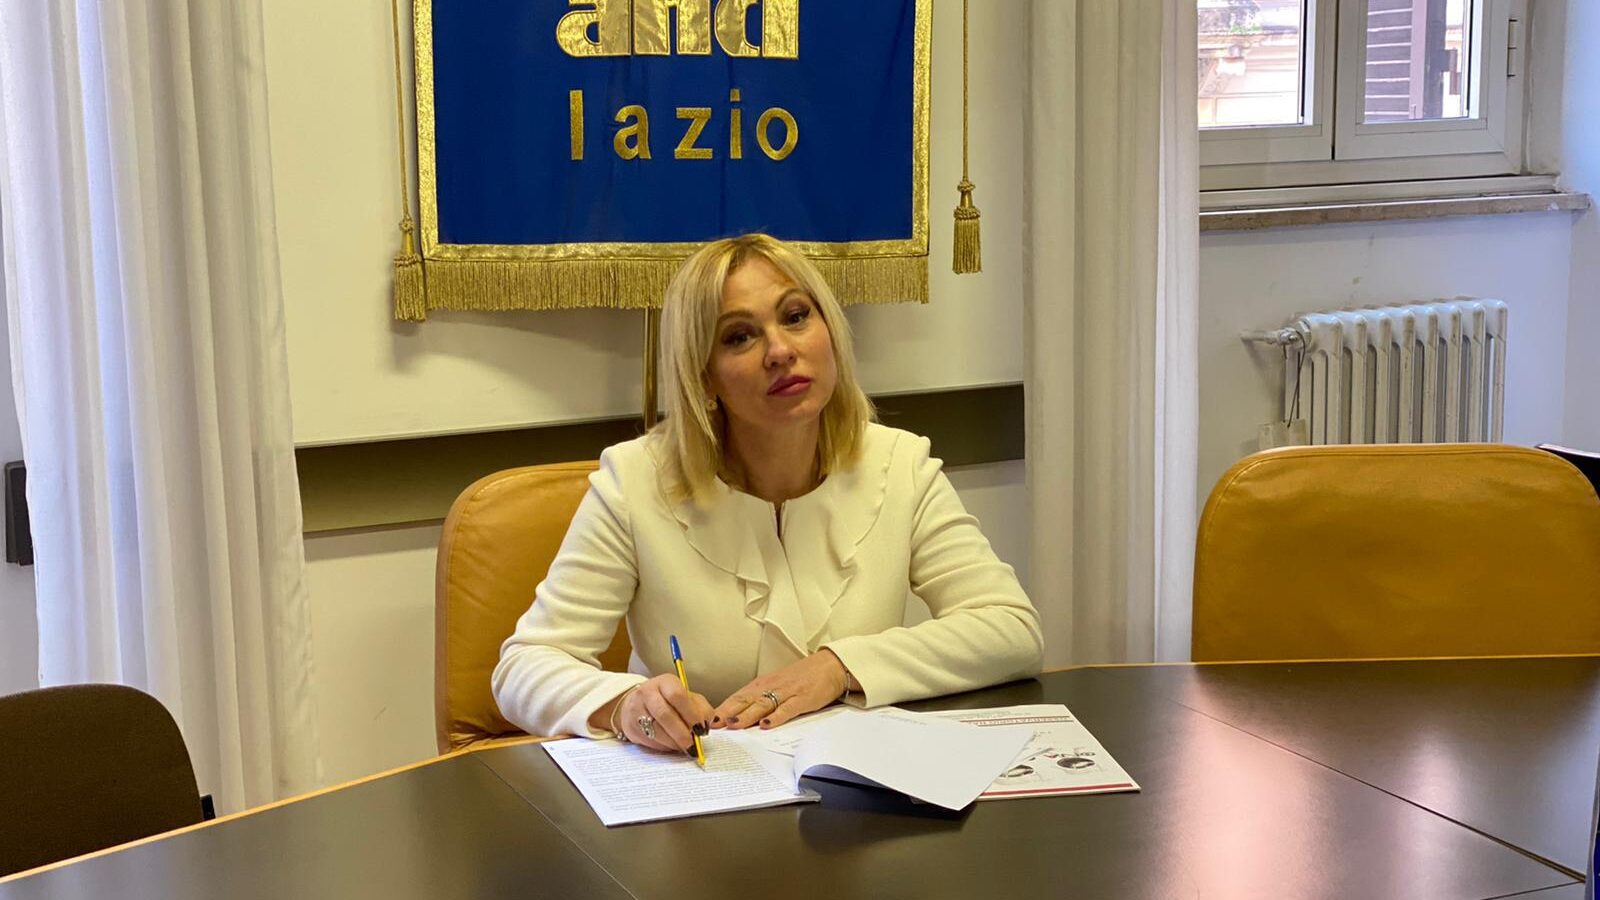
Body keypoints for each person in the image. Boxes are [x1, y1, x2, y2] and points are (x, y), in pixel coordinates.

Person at [492, 233, 1043, 754]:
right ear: (703, 376)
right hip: (704, 790)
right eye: (739, 337)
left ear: (830, 331)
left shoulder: (900, 464)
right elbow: (525, 666)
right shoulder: (633, 481)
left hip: (857, 789)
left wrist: (838, 667)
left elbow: (1010, 627)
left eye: (796, 316)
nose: (779, 350)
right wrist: (625, 706)